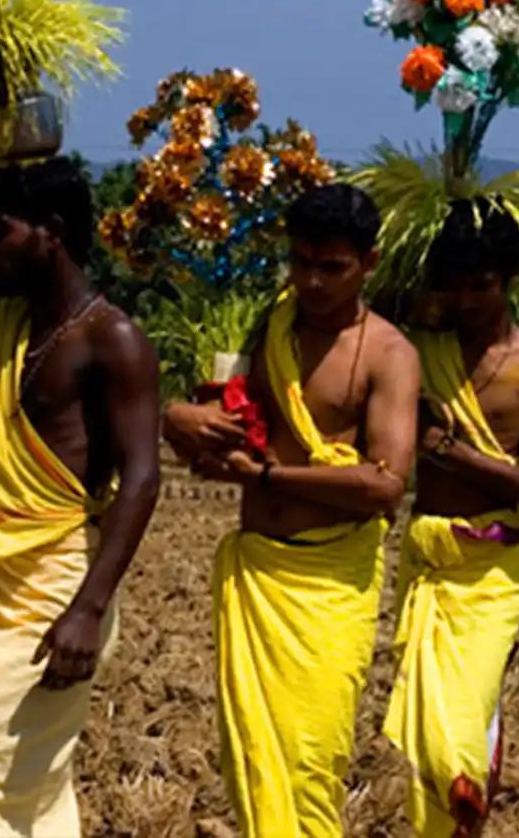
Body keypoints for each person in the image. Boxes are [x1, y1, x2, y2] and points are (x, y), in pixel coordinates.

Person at [0, 142, 162, 836]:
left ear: (54, 233)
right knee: (31, 795)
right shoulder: (5, 319)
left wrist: (87, 610)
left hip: (56, 584)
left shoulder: (113, 339)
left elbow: (141, 477)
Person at [163, 183, 419, 837]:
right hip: (257, 577)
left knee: (310, 762)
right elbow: (228, 416)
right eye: (299, 262)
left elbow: (387, 484)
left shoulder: (391, 356)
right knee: (251, 762)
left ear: (370, 262)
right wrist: (185, 419)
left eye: (330, 267)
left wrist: (269, 474)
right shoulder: (268, 324)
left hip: (332, 587)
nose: (310, 281)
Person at [384, 200, 519, 838]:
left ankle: (465, 811)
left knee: (459, 727)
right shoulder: (416, 347)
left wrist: (447, 451)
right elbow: (370, 293)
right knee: (428, 727)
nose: (468, 300)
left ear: (509, 279)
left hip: (493, 572)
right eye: (455, 285)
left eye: (481, 285)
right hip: (428, 561)